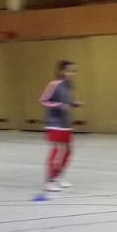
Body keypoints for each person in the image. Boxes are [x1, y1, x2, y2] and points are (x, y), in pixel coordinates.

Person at [39, 60, 81, 194]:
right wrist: (58, 106)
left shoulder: (69, 85)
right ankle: (49, 181)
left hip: (66, 123)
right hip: (54, 123)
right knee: (58, 149)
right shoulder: (54, 84)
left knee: (68, 150)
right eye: (69, 71)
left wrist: (73, 104)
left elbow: (66, 102)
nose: (72, 74)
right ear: (62, 71)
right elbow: (44, 100)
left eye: (74, 71)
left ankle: (58, 176)